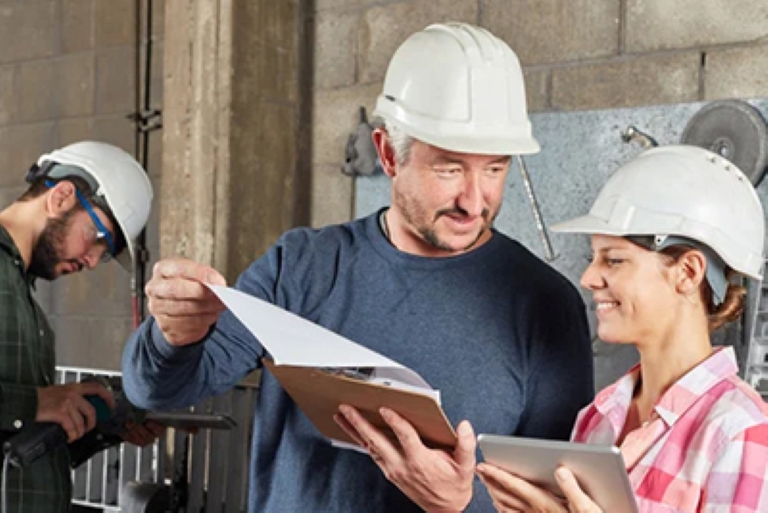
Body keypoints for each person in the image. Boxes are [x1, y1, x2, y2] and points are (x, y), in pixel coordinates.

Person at [121, 22, 594, 512]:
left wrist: (461, 504)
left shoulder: (546, 305)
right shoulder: (302, 266)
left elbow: (557, 501)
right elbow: (158, 390)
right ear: (389, 153)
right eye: (449, 168)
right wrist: (172, 335)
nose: (474, 202)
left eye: (495, 168)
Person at [477, 145, 768, 512]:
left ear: (687, 273)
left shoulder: (739, 431)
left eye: (613, 260)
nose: (587, 278)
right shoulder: (598, 416)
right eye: (593, 258)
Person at [0, 141, 158, 512]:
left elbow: (18, 450)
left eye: (103, 256)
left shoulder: (26, 303)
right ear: (62, 196)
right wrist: (34, 402)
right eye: (98, 239)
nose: (91, 260)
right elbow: (24, 410)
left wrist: (99, 425)